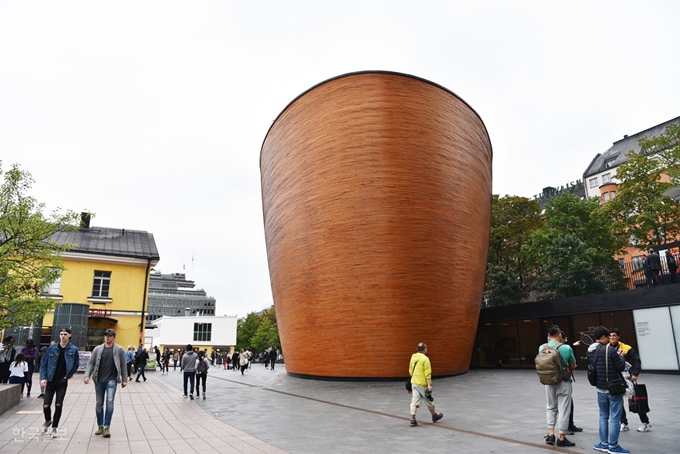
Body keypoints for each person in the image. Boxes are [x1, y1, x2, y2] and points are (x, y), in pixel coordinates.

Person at [587, 326, 629, 454]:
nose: (609, 340)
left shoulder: (590, 351)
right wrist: (621, 356)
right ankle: (613, 446)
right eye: (608, 337)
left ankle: (603, 443)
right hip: (613, 388)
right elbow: (620, 367)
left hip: (600, 388)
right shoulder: (609, 350)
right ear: (604, 337)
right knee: (615, 417)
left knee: (603, 416)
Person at [84, 328, 128, 438]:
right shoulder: (98, 349)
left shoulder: (119, 349)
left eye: (109, 335)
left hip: (112, 379)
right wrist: (87, 376)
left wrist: (124, 380)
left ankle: (107, 427)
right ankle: (100, 425)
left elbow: (123, 365)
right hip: (99, 379)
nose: (107, 337)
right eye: (106, 335)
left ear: (114, 337)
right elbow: (91, 364)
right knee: (99, 403)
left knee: (109, 402)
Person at [609, 327, 652, 433]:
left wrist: (635, 373)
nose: (612, 337)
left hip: (628, 376)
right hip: (615, 378)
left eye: (614, 335)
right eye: (610, 336)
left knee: (635, 399)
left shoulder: (626, 348)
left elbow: (637, 360)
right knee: (618, 400)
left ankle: (645, 422)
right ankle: (623, 423)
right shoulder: (607, 348)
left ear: (618, 337)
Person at [539, 325, 576, 447]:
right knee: (564, 409)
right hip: (563, 382)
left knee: (550, 407)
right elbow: (573, 365)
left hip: (548, 382)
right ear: (560, 335)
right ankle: (561, 437)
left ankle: (550, 434)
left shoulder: (542, 347)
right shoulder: (566, 347)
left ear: (548, 335)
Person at [40, 327, 80, 438]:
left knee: (59, 404)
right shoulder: (52, 348)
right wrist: (43, 378)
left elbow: (76, 364)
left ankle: (54, 428)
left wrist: (68, 375)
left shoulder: (73, 349)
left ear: (69, 336)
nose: (63, 336)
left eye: (65, 334)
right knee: (46, 404)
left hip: (62, 381)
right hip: (51, 379)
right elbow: (44, 363)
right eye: (61, 334)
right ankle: (48, 420)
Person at [407, 342, 443, 427]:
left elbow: (410, 370)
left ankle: (413, 420)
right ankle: (434, 416)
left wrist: (414, 377)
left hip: (414, 382)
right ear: (424, 349)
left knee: (414, 401)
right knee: (429, 400)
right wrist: (429, 385)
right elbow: (428, 373)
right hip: (423, 384)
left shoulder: (413, 357)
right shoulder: (425, 359)